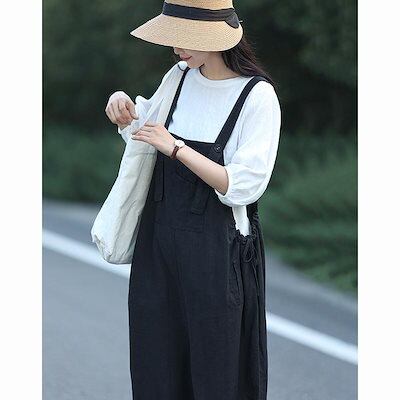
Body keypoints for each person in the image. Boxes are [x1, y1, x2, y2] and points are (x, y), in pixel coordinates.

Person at [105, 1, 281, 399]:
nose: (176, 48)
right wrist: (123, 108)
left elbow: (243, 185)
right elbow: (145, 128)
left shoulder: (257, 96)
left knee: (216, 373)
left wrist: (177, 149)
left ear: (215, 38)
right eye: (172, 38)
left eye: (185, 39)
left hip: (216, 254)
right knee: (155, 364)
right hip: (158, 245)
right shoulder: (179, 77)